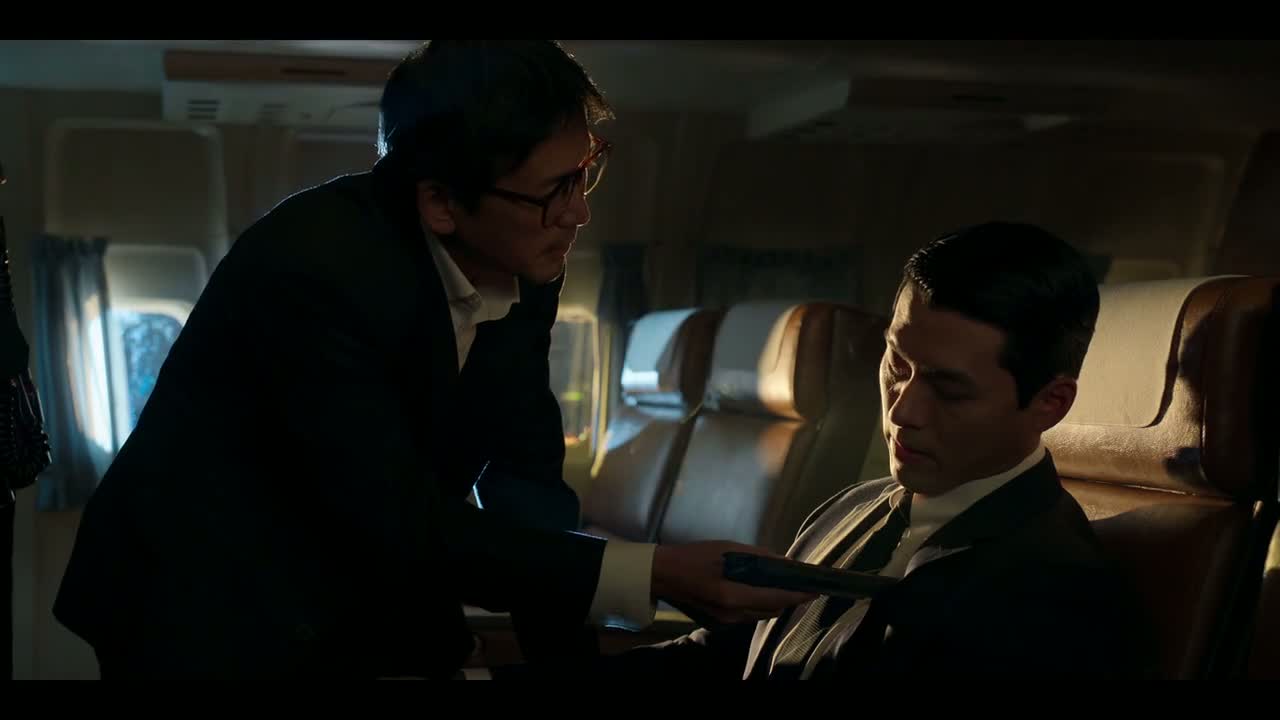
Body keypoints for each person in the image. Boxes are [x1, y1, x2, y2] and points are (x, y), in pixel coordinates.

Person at [52, 40, 808, 678]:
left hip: (345, 562)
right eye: (554, 190)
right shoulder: (314, 271)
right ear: (441, 202)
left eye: (586, 172)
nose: (578, 213)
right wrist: (654, 572)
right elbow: (392, 518)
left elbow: (525, 476)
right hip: (197, 590)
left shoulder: (525, 257)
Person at [506, 221, 1153, 680]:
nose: (902, 410)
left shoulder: (1051, 598)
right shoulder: (854, 506)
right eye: (896, 365)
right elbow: (728, 655)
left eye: (950, 390)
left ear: (1050, 403)